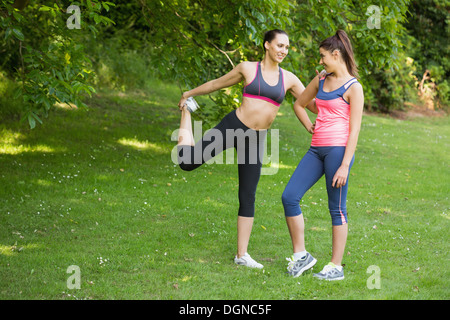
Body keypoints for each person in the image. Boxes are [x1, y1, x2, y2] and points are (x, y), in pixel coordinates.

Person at [176, 29, 318, 269]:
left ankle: (241, 254)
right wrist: (189, 94)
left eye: (286, 47)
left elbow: (312, 105)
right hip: (233, 126)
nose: (283, 50)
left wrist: (325, 86)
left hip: (256, 139)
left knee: (248, 195)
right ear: (266, 45)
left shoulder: (290, 79)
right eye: (279, 45)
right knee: (187, 162)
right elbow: (215, 84)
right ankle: (186, 113)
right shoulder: (247, 68)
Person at [282, 30, 364, 280]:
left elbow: (354, 130)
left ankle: (335, 267)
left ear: (336, 54)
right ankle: (301, 256)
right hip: (315, 150)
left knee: (337, 208)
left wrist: (344, 165)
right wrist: (309, 125)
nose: (320, 61)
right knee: (289, 196)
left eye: (323, 56)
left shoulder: (354, 87)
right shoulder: (321, 79)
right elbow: (300, 103)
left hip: (338, 152)